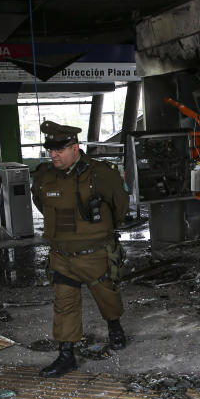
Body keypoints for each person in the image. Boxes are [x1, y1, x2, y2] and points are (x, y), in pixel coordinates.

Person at [31, 121, 130, 378]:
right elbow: (41, 203)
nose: (53, 154)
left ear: (75, 148)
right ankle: (66, 356)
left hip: (95, 253)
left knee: (107, 295)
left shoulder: (101, 173)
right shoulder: (43, 175)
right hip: (61, 256)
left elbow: (120, 206)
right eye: (50, 150)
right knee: (64, 305)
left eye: (59, 150)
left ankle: (115, 327)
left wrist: (99, 231)